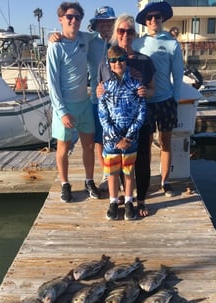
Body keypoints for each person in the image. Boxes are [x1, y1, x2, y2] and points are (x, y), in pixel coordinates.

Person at [97, 14, 156, 217]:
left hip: (138, 125)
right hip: (113, 129)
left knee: (140, 162)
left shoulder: (144, 60)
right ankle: (119, 198)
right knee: (116, 166)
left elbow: (151, 90)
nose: (125, 35)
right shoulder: (106, 60)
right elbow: (99, 89)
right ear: (116, 33)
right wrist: (98, 91)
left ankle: (140, 200)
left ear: (134, 34)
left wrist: (144, 92)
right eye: (121, 31)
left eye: (129, 31)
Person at [46, 2, 100, 203]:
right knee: (63, 148)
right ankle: (65, 184)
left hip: (84, 103)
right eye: (69, 17)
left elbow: (101, 34)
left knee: (88, 145)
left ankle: (89, 180)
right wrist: (61, 111)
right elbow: (52, 83)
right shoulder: (55, 46)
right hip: (65, 107)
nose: (74, 20)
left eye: (78, 17)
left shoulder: (85, 38)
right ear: (61, 19)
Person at [132, 1, 184, 197]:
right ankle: (143, 179)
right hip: (144, 102)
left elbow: (178, 75)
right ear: (145, 21)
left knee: (165, 141)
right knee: (144, 144)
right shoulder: (137, 43)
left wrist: (176, 99)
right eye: (149, 17)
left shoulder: (172, 43)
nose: (153, 20)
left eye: (157, 16)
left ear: (162, 18)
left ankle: (165, 181)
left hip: (166, 100)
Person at [98, 46, 146, 220]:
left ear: (126, 61)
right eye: (113, 60)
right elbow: (102, 115)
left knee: (128, 171)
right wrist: (116, 138)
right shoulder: (104, 88)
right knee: (112, 172)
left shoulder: (136, 86)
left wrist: (128, 137)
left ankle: (128, 201)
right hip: (111, 140)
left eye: (120, 59)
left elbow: (142, 113)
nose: (117, 63)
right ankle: (113, 201)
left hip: (130, 139)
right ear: (109, 64)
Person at [87, 6, 117, 191]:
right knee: (99, 139)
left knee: (117, 137)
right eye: (102, 22)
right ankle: (106, 172)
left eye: (109, 22)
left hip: (118, 101)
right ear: (96, 25)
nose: (106, 25)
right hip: (97, 101)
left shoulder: (121, 42)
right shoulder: (90, 43)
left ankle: (120, 172)